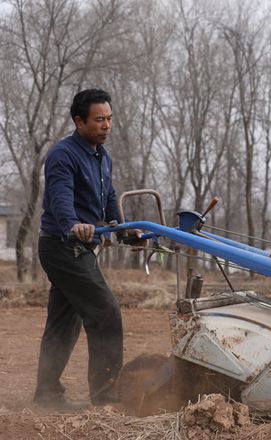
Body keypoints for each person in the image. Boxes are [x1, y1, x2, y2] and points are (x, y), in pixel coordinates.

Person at [34, 89, 140, 410]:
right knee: (105, 312)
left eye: (109, 119)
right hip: (63, 246)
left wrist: (125, 229)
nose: (106, 125)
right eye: (99, 119)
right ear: (79, 121)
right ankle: (106, 398)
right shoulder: (63, 155)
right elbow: (60, 197)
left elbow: (109, 200)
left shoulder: (101, 157)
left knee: (64, 321)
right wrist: (73, 224)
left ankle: (47, 395)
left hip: (80, 249)